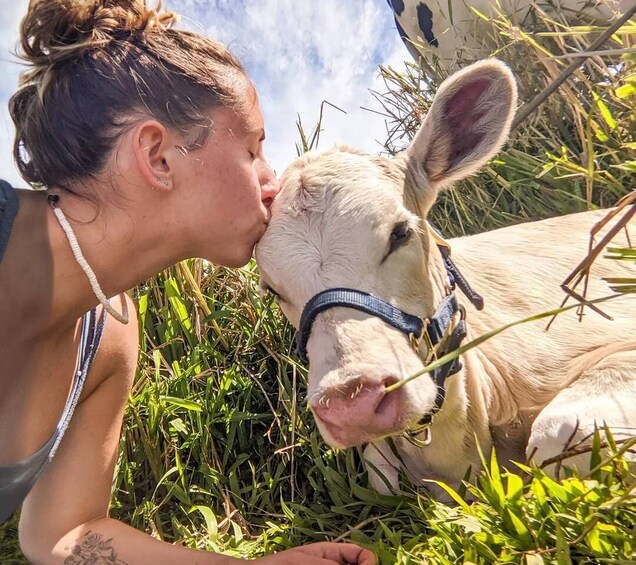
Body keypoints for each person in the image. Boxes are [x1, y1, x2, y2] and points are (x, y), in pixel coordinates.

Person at [0, 1, 376, 564]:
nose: (272, 181)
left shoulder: (110, 339)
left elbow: (63, 535)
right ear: (158, 156)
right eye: (253, 148)